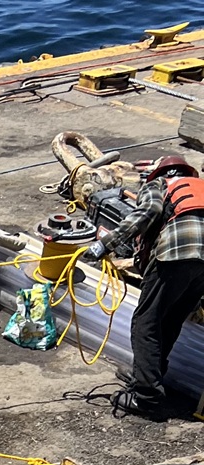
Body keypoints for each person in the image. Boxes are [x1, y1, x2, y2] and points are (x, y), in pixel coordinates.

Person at [84, 155, 204, 419]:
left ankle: (146, 397)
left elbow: (147, 213)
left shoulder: (160, 183)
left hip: (178, 251)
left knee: (145, 322)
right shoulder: (200, 187)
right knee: (170, 320)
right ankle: (149, 376)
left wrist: (106, 244)